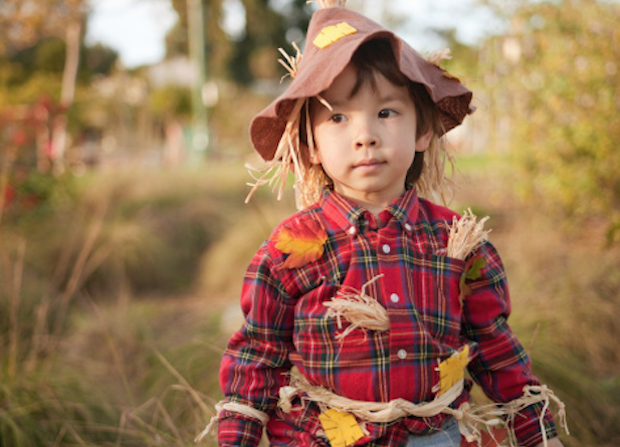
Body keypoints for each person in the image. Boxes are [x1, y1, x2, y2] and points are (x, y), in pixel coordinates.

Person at [205, 1, 568, 446]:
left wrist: (537, 434)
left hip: (435, 434)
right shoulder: (292, 249)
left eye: (386, 113)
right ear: (311, 143)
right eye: (338, 117)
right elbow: (257, 355)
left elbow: (496, 349)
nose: (365, 135)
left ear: (421, 131)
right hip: (323, 437)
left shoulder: (457, 245)